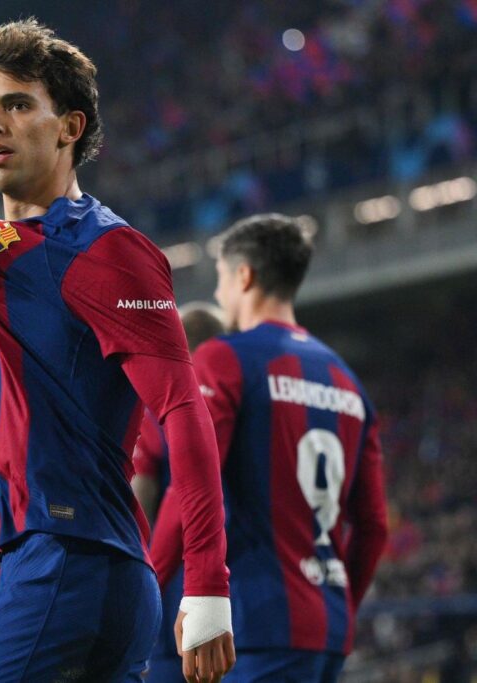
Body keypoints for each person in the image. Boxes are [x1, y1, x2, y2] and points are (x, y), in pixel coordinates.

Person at [0, 19, 234, 683]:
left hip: (68, 560)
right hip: (71, 568)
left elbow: (183, 410)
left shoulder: (110, 250)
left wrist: (208, 583)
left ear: (69, 127)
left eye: (18, 105)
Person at [150, 214, 389, 682]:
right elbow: (375, 526)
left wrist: (147, 582)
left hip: (256, 624)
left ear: (244, 275)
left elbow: (193, 483)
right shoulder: (349, 382)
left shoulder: (225, 358)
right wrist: (339, 609)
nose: (219, 296)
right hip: (326, 631)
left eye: (221, 279)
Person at [135, 303, 225, 683]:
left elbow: (139, 499)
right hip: (247, 599)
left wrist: (142, 585)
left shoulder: (164, 407)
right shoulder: (249, 401)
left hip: (178, 602)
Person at [132, 302, 227, 525]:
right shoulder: (243, 403)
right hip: (248, 549)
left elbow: (140, 500)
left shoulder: (155, 413)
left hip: (183, 550)